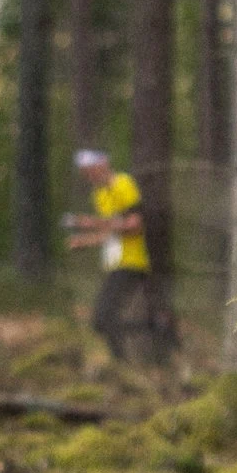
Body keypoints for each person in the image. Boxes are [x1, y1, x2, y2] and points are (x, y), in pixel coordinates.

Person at [65, 148, 169, 363]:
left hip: (131, 261)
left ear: (103, 165)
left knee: (102, 318)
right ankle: (154, 327)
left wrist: (92, 223)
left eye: (91, 170)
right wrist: (84, 241)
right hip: (115, 262)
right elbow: (110, 232)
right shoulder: (99, 195)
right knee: (104, 320)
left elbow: (134, 225)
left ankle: (125, 358)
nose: (89, 176)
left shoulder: (122, 184)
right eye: (85, 172)